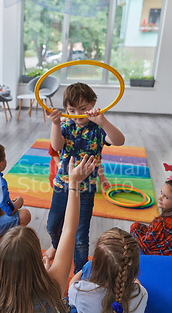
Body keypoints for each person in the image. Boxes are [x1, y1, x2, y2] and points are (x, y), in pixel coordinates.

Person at [0, 155, 97, 313]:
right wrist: (74, 183)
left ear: (0, 263)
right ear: (37, 257)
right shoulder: (52, 286)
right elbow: (69, 230)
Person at [45, 82, 125, 272]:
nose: (77, 115)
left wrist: (102, 121)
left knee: (81, 236)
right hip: (62, 186)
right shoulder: (66, 125)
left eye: (83, 109)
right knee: (52, 226)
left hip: (85, 190)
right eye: (71, 110)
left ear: (94, 104)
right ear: (66, 109)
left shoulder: (97, 129)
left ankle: (80, 274)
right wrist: (55, 124)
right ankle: (57, 245)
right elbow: (56, 147)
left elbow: (119, 140)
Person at [68, 228, 148, 313]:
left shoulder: (81, 291)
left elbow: (71, 285)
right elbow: (138, 286)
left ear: (97, 266)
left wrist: (86, 267)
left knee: (70, 311)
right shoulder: (141, 294)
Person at [130, 172, 172, 255]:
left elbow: (146, 246)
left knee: (135, 226)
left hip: (157, 255)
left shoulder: (161, 222)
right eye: (161, 192)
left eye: (166, 197)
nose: (159, 197)